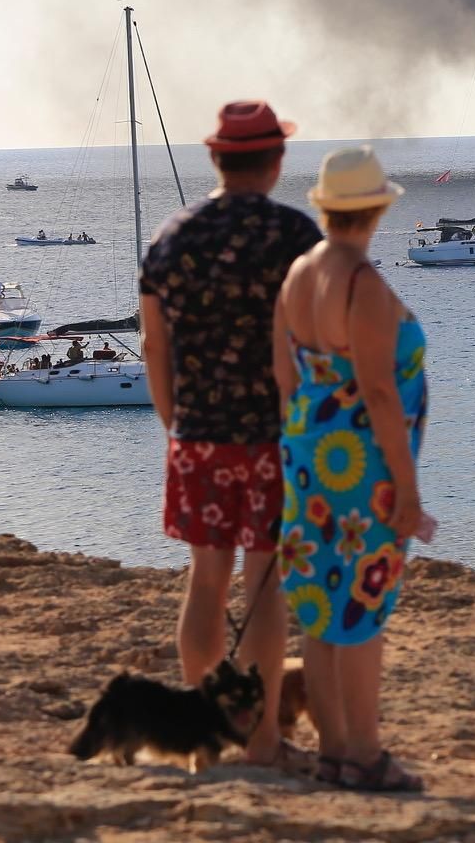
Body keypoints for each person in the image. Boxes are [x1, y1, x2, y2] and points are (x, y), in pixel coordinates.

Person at [140, 100, 322, 771]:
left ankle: (205, 741)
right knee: (264, 587)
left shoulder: (171, 238)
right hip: (276, 438)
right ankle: (264, 742)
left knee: (206, 583)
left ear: (215, 158)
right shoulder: (297, 237)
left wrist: (175, 425)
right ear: (276, 162)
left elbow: (154, 345)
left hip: (199, 435)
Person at [273, 145, 426, 792]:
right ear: (376, 209)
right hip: (360, 467)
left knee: (321, 605)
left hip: (309, 458)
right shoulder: (359, 283)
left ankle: (336, 751)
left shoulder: (298, 274)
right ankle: (363, 753)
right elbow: (380, 392)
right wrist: (408, 491)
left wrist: (300, 457)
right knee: (362, 610)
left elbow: (286, 382)